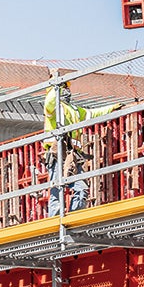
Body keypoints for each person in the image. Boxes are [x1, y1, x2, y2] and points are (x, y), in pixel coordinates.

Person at [43, 74, 119, 215]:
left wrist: (112, 108)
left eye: (66, 88)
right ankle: (55, 220)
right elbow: (50, 102)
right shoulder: (53, 108)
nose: (67, 91)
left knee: (81, 188)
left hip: (74, 155)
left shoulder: (75, 110)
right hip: (57, 154)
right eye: (64, 88)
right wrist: (56, 86)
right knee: (57, 188)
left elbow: (93, 113)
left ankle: (74, 217)